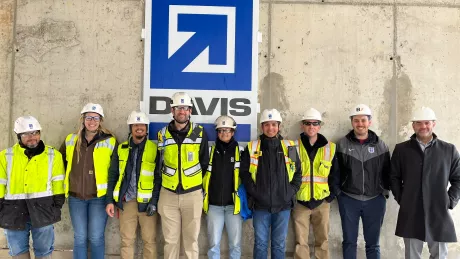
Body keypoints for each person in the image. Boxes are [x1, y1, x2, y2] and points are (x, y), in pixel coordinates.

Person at [390, 107, 460, 259]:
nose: (423, 127)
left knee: (439, 255)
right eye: (418, 123)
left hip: (439, 212)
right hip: (411, 211)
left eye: (427, 123)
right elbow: (393, 177)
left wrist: (450, 200)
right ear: (413, 125)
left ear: (433, 124)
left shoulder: (448, 150)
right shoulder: (402, 150)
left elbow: (458, 179)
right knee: (412, 256)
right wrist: (402, 198)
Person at [152, 92, 209, 259]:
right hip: (168, 194)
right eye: (178, 108)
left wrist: (196, 186)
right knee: (170, 241)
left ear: (190, 111)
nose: (181, 111)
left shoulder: (199, 132)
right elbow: (159, 165)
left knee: (191, 241)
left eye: (185, 108)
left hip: (192, 194)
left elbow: (204, 162)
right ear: (172, 110)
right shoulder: (162, 134)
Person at [0, 116, 65, 259]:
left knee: (44, 252)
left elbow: (58, 183)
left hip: (43, 210)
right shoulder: (6, 156)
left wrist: (57, 205)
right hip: (13, 211)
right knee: (18, 252)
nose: (32, 137)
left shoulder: (53, 155)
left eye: (35, 132)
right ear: (18, 136)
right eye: (26, 134)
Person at [240, 108, 301, 259]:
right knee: (260, 244)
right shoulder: (252, 147)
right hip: (260, 206)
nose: (270, 128)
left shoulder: (290, 147)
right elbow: (245, 174)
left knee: (279, 244)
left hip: (283, 206)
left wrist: (289, 192)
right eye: (267, 125)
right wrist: (256, 193)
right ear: (262, 127)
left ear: (279, 126)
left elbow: (298, 173)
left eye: (274, 124)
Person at [61, 103, 117, 259]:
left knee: (96, 237)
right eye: (88, 118)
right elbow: (61, 166)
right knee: (79, 238)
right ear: (83, 119)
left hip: (99, 198)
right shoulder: (70, 139)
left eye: (95, 118)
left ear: (101, 120)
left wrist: (110, 199)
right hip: (75, 197)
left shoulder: (110, 141)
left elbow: (114, 172)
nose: (92, 121)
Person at [336, 104, 390, 259]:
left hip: (375, 200)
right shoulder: (342, 144)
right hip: (348, 199)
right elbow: (336, 172)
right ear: (352, 122)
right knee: (349, 242)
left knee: (373, 244)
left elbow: (387, 172)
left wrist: (384, 193)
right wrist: (340, 194)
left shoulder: (381, 145)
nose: (360, 124)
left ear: (370, 122)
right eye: (356, 120)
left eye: (363, 120)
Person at [106, 111, 158, 259]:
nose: (139, 128)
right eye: (135, 125)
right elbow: (113, 175)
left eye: (142, 125)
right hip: (126, 203)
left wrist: (154, 202)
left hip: (147, 204)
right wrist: (110, 200)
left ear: (146, 128)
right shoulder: (121, 148)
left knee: (150, 242)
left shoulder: (154, 149)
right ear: (131, 128)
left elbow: (158, 178)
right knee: (126, 242)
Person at [292, 108, 340, 259]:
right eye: (308, 123)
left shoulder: (330, 148)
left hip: (322, 203)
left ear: (320, 126)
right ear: (302, 125)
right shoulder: (294, 146)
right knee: (300, 242)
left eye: (315, 123)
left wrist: (330, 196)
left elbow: (336, 174)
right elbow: (289, 173)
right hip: (300, 203)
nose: (311, 126)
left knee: (323, 242)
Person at [203, 115, 242, 259]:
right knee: (213, 246)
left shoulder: (241, 152)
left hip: (233, 206)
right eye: (220, 130)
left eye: (227, 130)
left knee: (235, 245)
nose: (224, 133)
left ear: (233, 132)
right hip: (214, 206)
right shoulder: (210, 152)